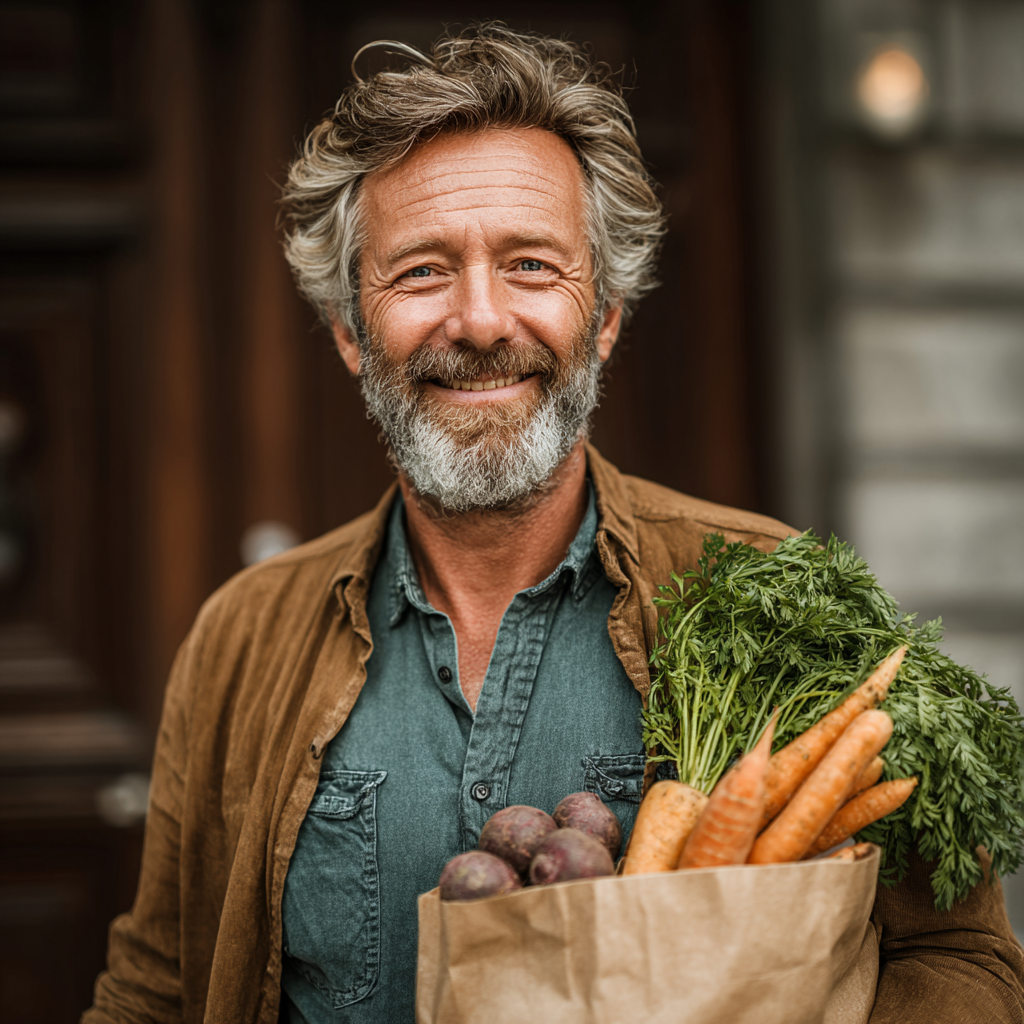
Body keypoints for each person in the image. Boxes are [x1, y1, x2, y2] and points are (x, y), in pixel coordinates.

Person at [84, 23, 1023, 1024]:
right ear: (350, 330)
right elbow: (154, 992)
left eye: (531, 265)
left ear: (606, 313)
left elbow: (960, 955)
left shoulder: (777, 597)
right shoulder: (242, 636)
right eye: (421, 272)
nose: (482, 320)